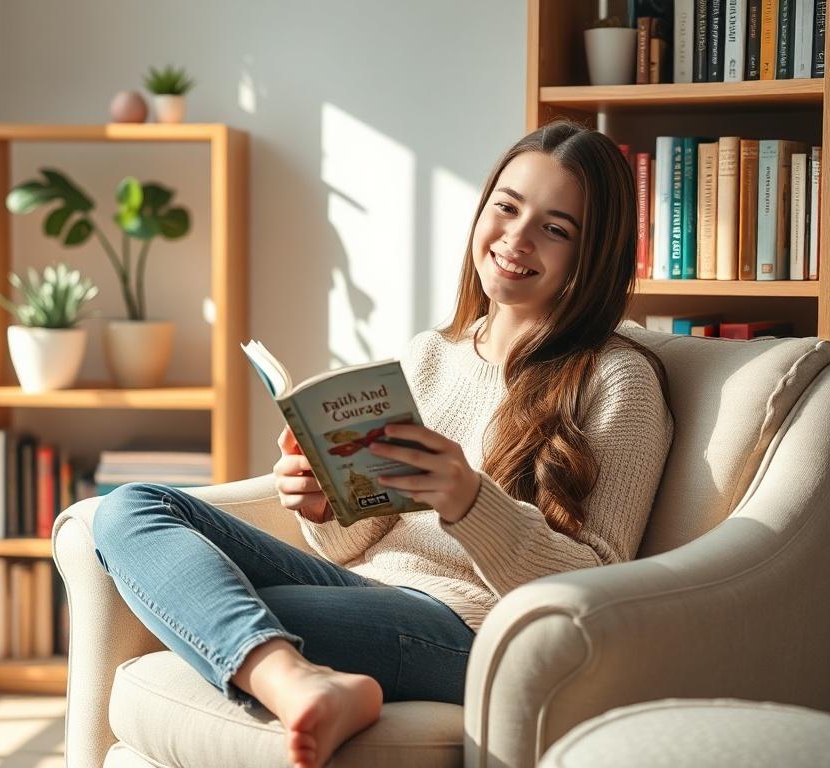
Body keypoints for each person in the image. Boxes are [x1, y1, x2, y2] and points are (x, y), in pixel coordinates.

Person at [91, 118, 674, 768]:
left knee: (223, 606)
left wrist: (470, 504)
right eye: (506, 208)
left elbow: (603, 594)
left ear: (591, 257)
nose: (516, 238)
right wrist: (323, 506)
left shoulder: (619, 382)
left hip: (475, 629)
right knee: (130, 508)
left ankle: (287, 677)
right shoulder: (432, 355)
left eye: (555, 228)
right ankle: (300, 678)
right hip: (366, 591)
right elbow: (365, 538)